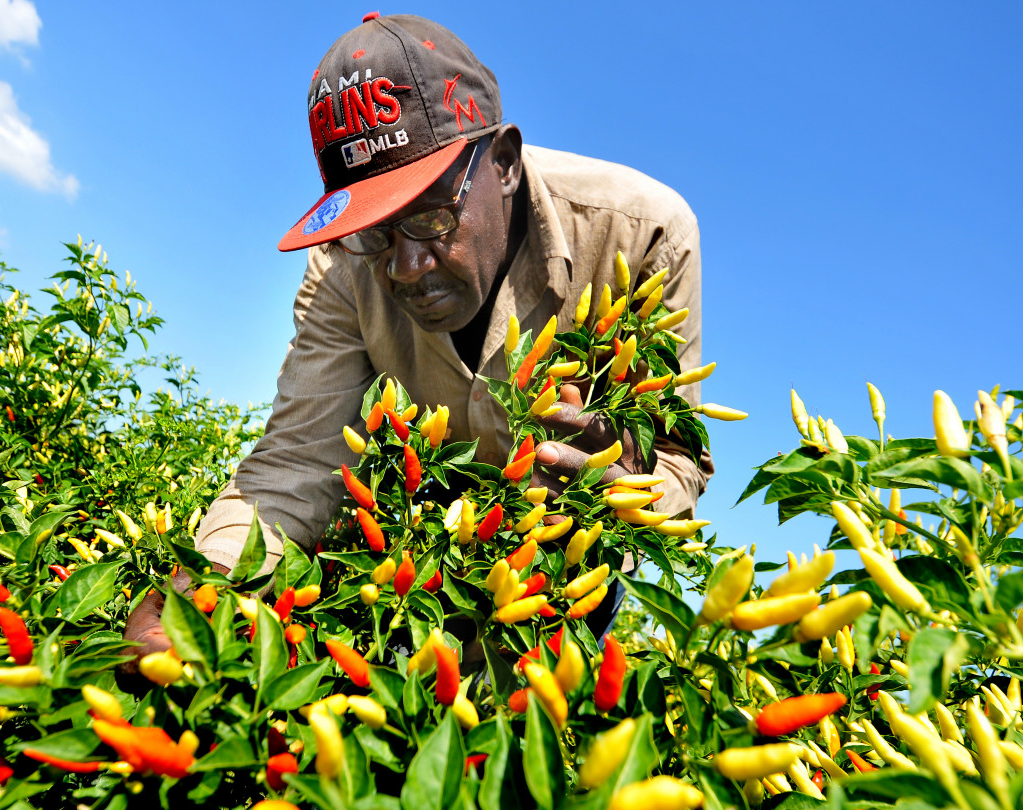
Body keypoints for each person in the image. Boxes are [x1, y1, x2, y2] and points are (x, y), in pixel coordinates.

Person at [123, 12, 711, 660]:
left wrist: (625, 487)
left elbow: (677, 457)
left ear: (504, 163)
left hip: (562, 577)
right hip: (420, 560)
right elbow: (299, 458)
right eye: (375, 230)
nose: (404, 266)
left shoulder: (642, 236)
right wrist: (205, 587)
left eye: (431, 217)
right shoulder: (343, 265)